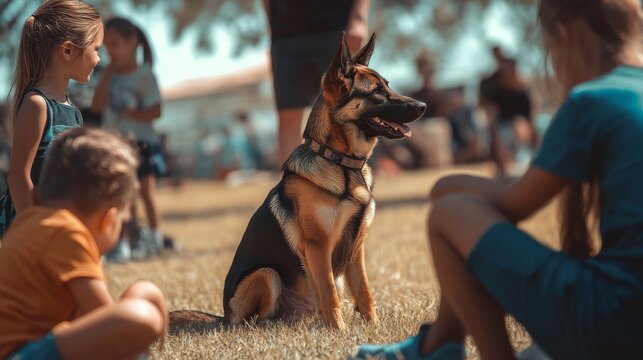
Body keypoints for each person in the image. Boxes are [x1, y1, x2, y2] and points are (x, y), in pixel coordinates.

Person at [356, 0, 643, 359]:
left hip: (618, 324)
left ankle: (445, 349)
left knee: (450, 212)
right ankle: (436, 347)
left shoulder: (594, 99)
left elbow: (514, 204)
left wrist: (446, 188)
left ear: (566, 34)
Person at [0, 127, 169, 359]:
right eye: (122, 223)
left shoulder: (31, 223)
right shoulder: (67, 231)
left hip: (35, 346)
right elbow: (103, 316)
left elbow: (83, 319)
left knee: (142, 296)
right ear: (108, 219)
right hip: (21, 355)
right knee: (140, 316)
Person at [0, 0, 103, 237]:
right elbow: (18, 176)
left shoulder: (73, 110)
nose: (98, 59)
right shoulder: (37, 105)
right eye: (96, 49)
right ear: (68, 50)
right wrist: (35, 230)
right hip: (28, 231)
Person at [91, 17, 166, 261]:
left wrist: (130, 112)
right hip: (116, 144)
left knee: (146, 191)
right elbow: (96, 106)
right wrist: (106, 75)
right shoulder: (107, 75)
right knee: (123, 195)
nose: (110, 51)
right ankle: (127, 240)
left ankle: (155, 238)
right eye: (106, 46)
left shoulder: (144, 75)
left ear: (132, 41)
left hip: (143, 142)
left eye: (115, 44)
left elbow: (156, 111)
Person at [262, 0, 370, 165]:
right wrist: (272, 28)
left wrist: (358, 17)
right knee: (288, 117)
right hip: (285, 33)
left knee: (349, 112)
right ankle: (293, 188)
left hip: (336, 25)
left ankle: (351, 186)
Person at [480, 48, 536, 177]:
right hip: (501, 130)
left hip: (520, 131)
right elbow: (489, 115)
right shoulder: (496, 93)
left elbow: (530, 118)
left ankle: (524, 159)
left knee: (519, 124)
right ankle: (506, 163)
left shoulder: (523, 93)